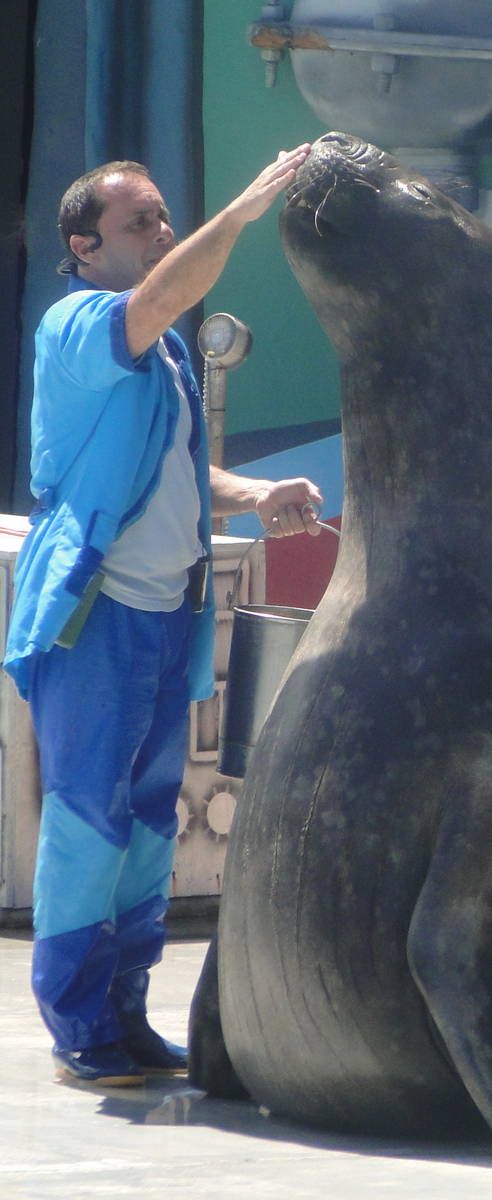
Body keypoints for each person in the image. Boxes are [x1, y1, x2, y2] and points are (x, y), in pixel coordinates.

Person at [3, 145, 324, 1087]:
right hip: (93, 617)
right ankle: (76, 1027)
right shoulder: (77, 325)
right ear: (82, 243)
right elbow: (165, 295)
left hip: (166, 616)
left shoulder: (167, 353)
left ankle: (126, 1010)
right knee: (85, 819)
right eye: (139, 221)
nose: (162, 232)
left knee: (149, 819)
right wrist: (247, 207)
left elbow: (184, 474)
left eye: (163, 216)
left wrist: (258, 495)